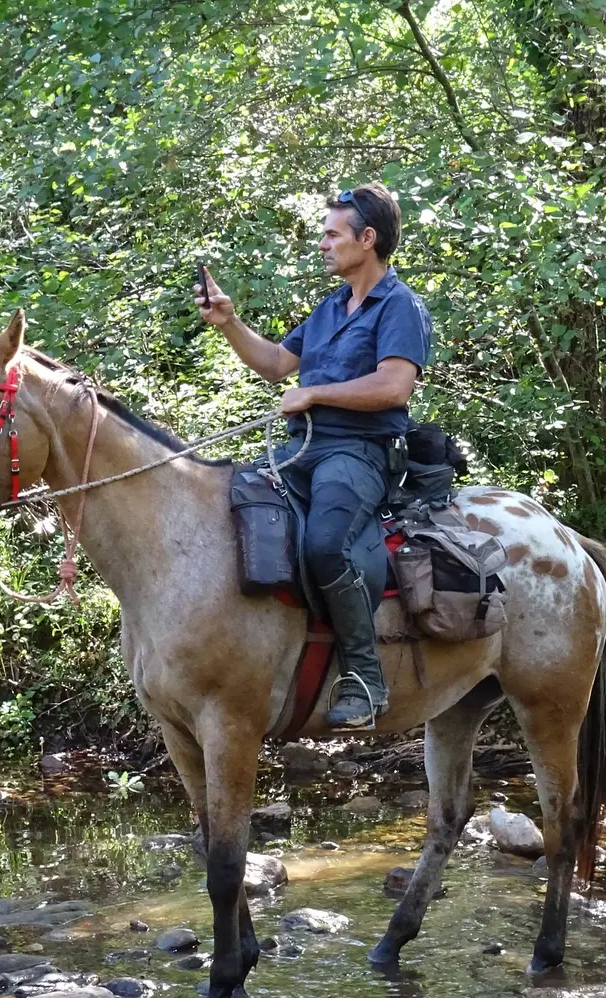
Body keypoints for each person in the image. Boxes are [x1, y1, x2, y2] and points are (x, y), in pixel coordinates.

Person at [195, 183, 433, 728]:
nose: (322, 244)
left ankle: (366, 677)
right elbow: (277, 364)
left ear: (367, 239)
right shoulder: (331, 308)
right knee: (231, 508)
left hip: (363, 451)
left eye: (332, 234)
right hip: (303, 449)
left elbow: (395, 387)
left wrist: (317, 393)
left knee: (327, 544)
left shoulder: (401, 307)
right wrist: (229, 321)